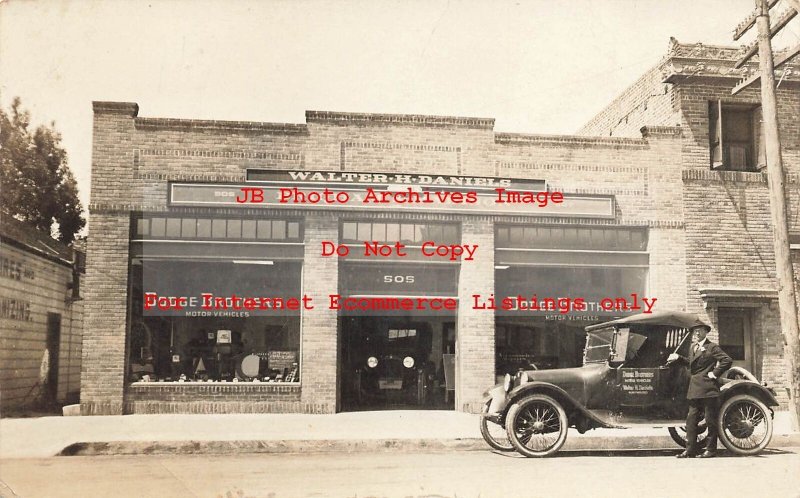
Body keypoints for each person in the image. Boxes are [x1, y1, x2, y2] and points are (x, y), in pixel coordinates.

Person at [667, 323, 733, 458]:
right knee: (691, 420)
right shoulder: (693, 347)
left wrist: (715, 373)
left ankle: (710, 450)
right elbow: (691, 364)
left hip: (709, 388)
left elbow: (727, 360)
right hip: (694, 388)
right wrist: (678, 358)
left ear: (705, 332)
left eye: (699, 331)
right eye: (694, 331)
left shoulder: (711, 347)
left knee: (710, 420)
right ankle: (690, 450)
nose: (696, 333)